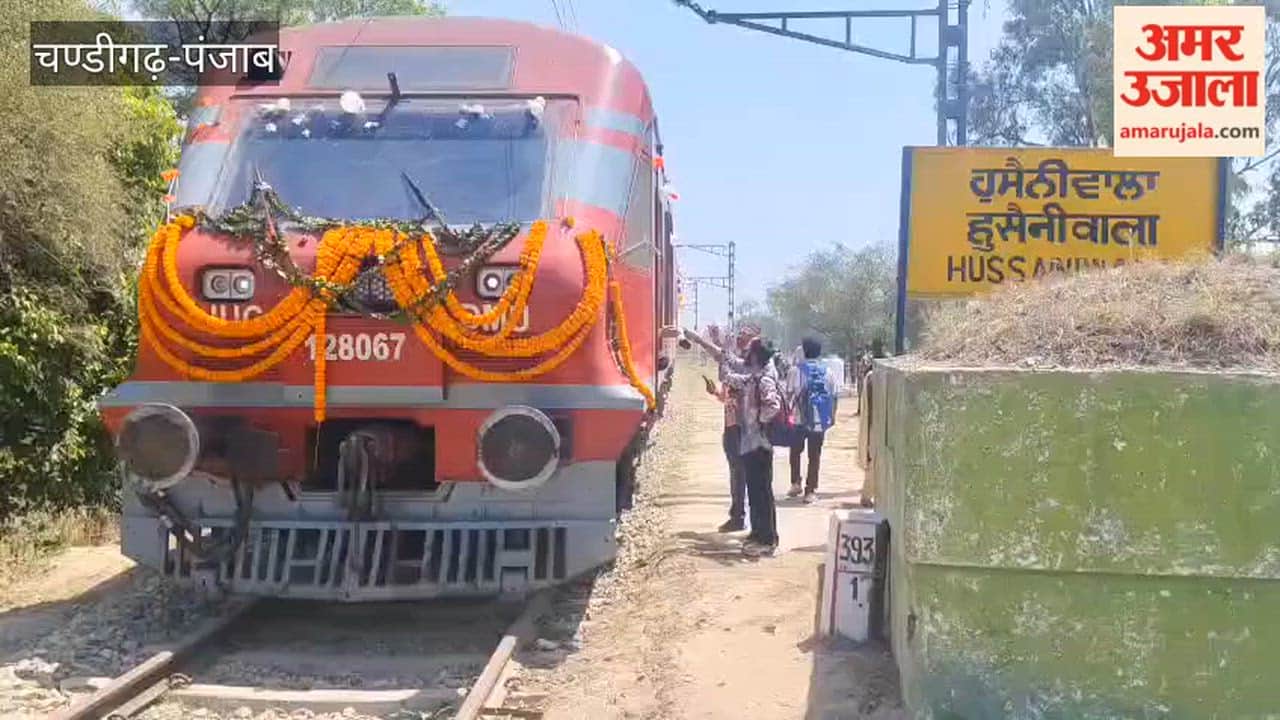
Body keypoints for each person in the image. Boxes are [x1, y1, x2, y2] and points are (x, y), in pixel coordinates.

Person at [687, 326, 759, 532]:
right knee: (739, 473)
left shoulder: (743, 366)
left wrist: (698, 339)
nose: (738, 339)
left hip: (739, 428)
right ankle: (740, 516)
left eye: (742, 337)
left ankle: (738, 517)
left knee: (739, 473)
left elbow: (719, 355)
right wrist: (715, 392)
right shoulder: (743, 366)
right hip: (735, 426)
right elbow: (728, 397)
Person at [721, 337, 782, 556]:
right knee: (755, 492)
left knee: (762, 493)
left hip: (759, 444)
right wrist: (725, 352)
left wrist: (759, 422)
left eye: (750, 351)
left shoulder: (764, 379)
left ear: (755, 356)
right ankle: (758, 533)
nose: (746, 353)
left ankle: (768, 540)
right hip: (751, 443)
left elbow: (773, 406)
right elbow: (729, 377)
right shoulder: (753, 377)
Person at [785, 337, 838, 504]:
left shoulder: (795, 371)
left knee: (795, 452)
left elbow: (789, 395)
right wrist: (832, 416)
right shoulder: (827, 372)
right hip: (819, 420)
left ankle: (795, 483)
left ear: (804, 351)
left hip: (799, 419)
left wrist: (787, 416)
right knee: (814, 456)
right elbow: (834, 396)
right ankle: (811, 490)